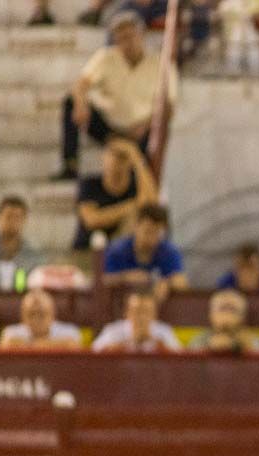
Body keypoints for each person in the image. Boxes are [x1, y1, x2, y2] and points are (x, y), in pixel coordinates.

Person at [55, 11, 164, 181]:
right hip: (109, 128)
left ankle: (146, 177)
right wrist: (81, 103)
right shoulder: (105, 58)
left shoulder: (158, 63)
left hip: (143, 130)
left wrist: (146, 124)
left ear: (142, 35)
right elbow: (81, 84)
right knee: (70, 102)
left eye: (130, 37)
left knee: (159, 130)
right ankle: (70, 164)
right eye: (120, 39)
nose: (126, 43)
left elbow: (168, 104)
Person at [72, 136, 158, 255]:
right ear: (104, 157)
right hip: (87, 251)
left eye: (122, 156)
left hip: (123, 255)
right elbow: (91, 220)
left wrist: (137, 158)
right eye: (112, 155)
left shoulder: (135, 186)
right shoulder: (89, 184)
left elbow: (152, 205)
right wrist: (130, 207)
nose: (115, 162)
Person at [102, 203, 188, 300]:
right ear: (136, 226)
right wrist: (124, 278)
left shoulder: (169, 251)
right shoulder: (117, 250)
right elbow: (102, 281)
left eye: (157, 233)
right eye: (148, 231)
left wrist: (167, 283)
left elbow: (182, 284)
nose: (151, 238)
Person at [91, 288, 183, 353]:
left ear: (154, 315)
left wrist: (161, 347)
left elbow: (181, 357)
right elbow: (93, 354)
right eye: (137, 311)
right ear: (127, 312)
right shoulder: (113, 331)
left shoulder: (164, 332)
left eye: (146, 311)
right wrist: (121, 346)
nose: (141, 317)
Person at [187, 290, 259, 355]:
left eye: (232, 310)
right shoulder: (199, 339)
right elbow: (192, 363)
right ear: (211, 315)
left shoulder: (251, 339)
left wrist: (235, 345)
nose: (226, 315)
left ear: (243, 317)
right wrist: (210, 346)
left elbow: (257, 362)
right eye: (222, 309)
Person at [0, 289, 82, 350]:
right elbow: (8, 344)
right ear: (22, 316)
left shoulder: (70, 331)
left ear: (52, 314)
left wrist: (26, 345)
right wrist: (58, 345)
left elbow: (72, 344)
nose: (36, 319)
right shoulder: (11, 332)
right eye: (31, 314)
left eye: (41, 314)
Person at [0, 196, 43, 292]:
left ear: (24, 220)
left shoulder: (34, 256)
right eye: (9, 216)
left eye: (17, 217)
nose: (13, 222)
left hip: (19, 302)